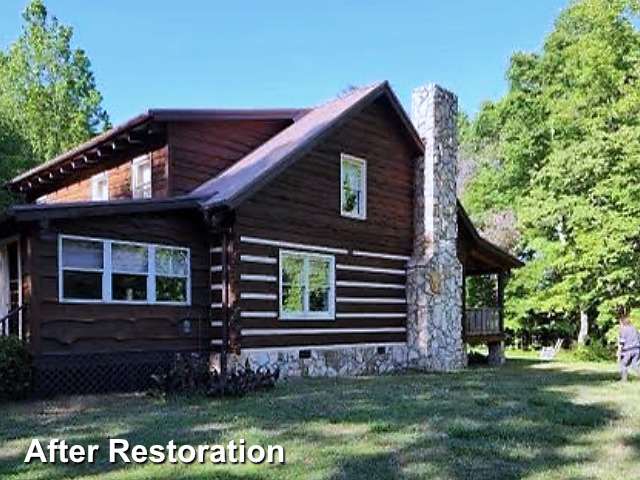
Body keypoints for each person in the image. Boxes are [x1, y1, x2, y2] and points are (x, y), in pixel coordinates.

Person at [617, 312, 640, 382]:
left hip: (628, 350)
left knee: (623, 364)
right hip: (637, 349)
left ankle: (624, 379)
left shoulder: (623, 329)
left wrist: (619, 352)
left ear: (622, 322)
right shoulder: (634, 328)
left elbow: (622, 342)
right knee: (635, 365)